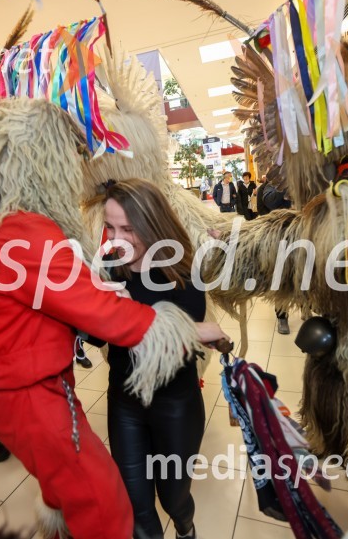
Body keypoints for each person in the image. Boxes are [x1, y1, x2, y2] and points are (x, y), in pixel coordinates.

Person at [0, 100, 230, 539]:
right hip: (32, 396)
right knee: (104, 504)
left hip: (22, 393)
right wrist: (192, 330)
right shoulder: (25, 232)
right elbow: (103, 315)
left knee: (68, 493)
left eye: (128, 228)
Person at [100, 179, 206, 539]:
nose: (117, 239)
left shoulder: (182, 269)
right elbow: (98, 336)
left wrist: (125, 309)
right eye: (110, 227)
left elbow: (181, 339)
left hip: (175, 404)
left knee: (174, 498)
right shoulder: (109, 267)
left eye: (128, 229)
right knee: (136, 506)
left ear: (152, 224)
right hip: (125, 402)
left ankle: (185, 527)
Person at [260, 183, 293, 335]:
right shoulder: (272, 184)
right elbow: (270, 201)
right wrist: (287, 185)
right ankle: (282, 315)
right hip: (281, 236)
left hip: (304, 232)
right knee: (281, 278)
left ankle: (306, 308)